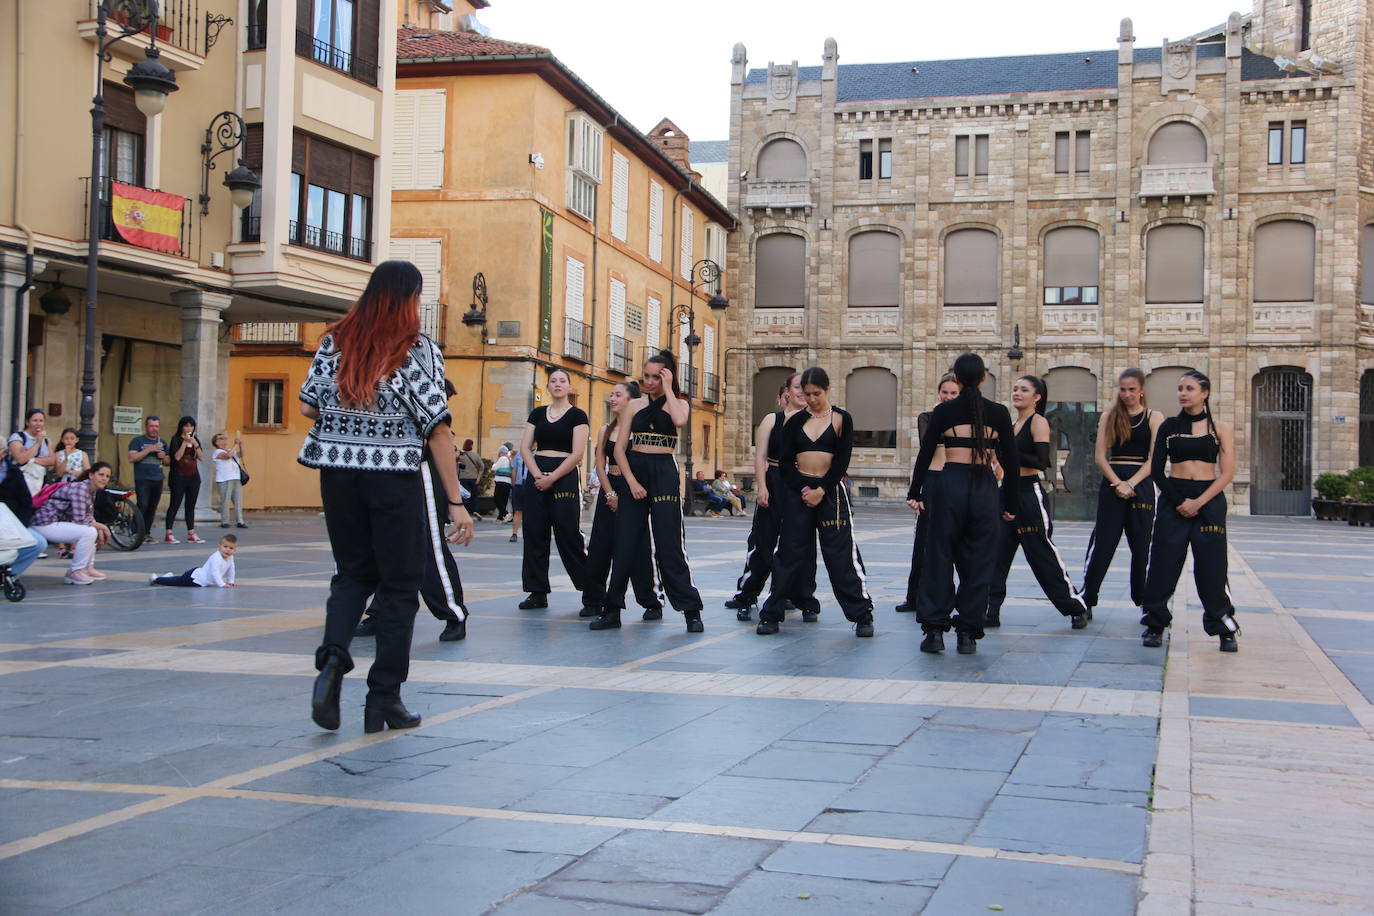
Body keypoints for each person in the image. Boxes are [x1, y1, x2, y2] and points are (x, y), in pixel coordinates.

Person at [298, 259, 472, 734]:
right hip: (392, 477)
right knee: (399, 587)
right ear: (410, 299)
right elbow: (437, 429)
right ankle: (384, 700)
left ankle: (333, 661)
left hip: (337, 475)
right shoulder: (416, 350)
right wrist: (455, 502)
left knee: (352, 576)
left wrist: (351, 419)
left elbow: (308, 403)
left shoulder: (334, 341)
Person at [908, 353, 1019, 655]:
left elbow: (925, 452)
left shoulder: (944, 412)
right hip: (984, 488)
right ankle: (968, 633)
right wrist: (1010, 502)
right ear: (984, 377)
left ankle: (933, 631)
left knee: (939, 557)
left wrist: (915, 491)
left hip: (949, 485)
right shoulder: (998, 413)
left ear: (955, 379)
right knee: (979, 563)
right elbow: (1011, 461)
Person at [756, 366, 875, 638]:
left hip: (831, 494)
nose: (811, 399)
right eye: (806, 394)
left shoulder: (842, 419)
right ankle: (772, 614)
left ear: (827, 390)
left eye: (816, 393)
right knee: (788, 552)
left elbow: (842, 460)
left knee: (840, 555)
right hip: (800, 493)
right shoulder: (794, 422)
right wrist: (805, 489)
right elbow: (785, 465)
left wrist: (822, 489)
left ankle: (862, 614)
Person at [355, 378, 470, 643]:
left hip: (422, 468)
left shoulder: (418, 367)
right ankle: (380, 612)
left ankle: (454, 614)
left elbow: (439, 435)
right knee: (385, 545)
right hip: (386, 466)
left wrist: (456, 502)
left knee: (429, 545)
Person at [603, 351, 705, 633]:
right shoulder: (633, 405)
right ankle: (612, 609)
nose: (648, 381)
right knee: (625, 541)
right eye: (645, 375)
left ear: (666, 375)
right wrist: (632, 482)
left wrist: (670, 388)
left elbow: (680, 421)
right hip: (634, 470)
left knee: (669, 542)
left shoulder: (679, 403)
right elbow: (619, 449)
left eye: (654, 376)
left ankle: (690, 610)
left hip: (663, 471)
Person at [1140, 370, 1240, 652]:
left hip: (1209, 499)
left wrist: (1199, 502)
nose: (1183, 393)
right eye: (1180, 388)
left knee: (1213, 566)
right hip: (1174, 498)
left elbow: (1227, 472)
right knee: (1163, 561)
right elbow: (1157, 471)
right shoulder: (1169, 426)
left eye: (1190, 388)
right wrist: (1179, 500)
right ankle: (1155, 624)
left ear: (1204, 393)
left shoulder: (1219, 428)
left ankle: (1223, 625)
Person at [986, 376, 1090, 630]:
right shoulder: (1012, 424)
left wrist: (1007, 448)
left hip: (1029, 494)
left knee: (1041, 554)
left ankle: (1075, 607)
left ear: (1037, 397)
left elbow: (1041, 461)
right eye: (1015, 388)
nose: (1017, 393)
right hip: (1006, 491)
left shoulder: (1038, 422)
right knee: (996, 555)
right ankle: (990, 611)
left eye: (1024, 389)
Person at [725, 374, 816, 622]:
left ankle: (803, 598)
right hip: (774, 480)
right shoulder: (771, 420)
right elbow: (760, 456)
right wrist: (762, 487)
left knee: (801, 544)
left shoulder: (814, 420)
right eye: (797, 387)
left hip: (802, 483)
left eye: (806, 388)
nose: (801, 392)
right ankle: (747, 594)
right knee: (762, 541)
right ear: (787, 392)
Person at [1080, 369, 1163, 612]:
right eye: (1123, 389)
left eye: (1132, 389)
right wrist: (1118, 482)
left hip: (1141, 485)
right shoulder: (1109, 416)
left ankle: (1144, 599)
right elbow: (1099, 457)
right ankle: (1087, 598)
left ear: (1141, 391)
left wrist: (1132, 483)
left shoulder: (1154, 417)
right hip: (1113, 483)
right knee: (1103, 543)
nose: (1127, 394)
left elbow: (1154, 459)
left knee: (1142, 545)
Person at [583, 381, 663, 628]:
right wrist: (609, 494)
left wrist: (629, 492)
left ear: (631, 401)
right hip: (610, 488)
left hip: (634, 491)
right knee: (599, 546)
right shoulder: (605, 429)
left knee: (636, 550)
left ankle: (650, 601)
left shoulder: (640, 429)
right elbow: (599, 464)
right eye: (613, 394)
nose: (613, 398)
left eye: (618, 394)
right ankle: (593, 599)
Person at [517, 368, 590, 610]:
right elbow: (525, 448)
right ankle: (537, 592)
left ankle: (592, 592)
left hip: (565, 474)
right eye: (553, 381)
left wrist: (553, 477)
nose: (557, 384)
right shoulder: (537, 414)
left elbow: (578, 453)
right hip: (537, 473)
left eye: (562, 381)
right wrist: (537, 473)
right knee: (534, 533)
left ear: (570, 387)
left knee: (568, 535)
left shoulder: (578, 416)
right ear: (548, 386)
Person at [898, 373, 961, 614]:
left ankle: (956, 598)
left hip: (955, 479)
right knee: (923, 540)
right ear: (938, 393)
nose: (948, 397)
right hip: (932, 479)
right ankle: (913, 596)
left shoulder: (966, 421)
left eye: (953, 393)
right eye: (945, 392)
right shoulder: (927, 417)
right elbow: (928, 444)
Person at [32, 461, 113, 586]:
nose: (104, 479)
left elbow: (88, 516)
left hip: (55, 522)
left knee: (91, 530)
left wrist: (100, 528)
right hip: (44, 523)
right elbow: (80, 519)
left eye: (107, 476)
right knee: (88, 532)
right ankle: (75, 572)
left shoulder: (91, 489)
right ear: (91, 475)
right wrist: (103, 527)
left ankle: (88, 568)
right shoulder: (80, 489)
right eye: (101, 474)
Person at [163, 416, 205, 544]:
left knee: (190, 506)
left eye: (191, 426)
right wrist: (184, 443)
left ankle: (191, 532)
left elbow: (202, 457)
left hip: (193, 476)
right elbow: (176, 457)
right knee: (175, 504)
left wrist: (195, 444)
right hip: (178, 476)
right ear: (181, 427)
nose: (189, 428)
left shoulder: (195, 439)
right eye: (186, 425)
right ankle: (169, 532)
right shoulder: (175, 439)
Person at [128, 416, 168, 537]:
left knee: (152, 507)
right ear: (146, 427)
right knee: (143, 504)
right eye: (151, 426)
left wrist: (164, 457)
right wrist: (149, 449)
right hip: (142, 478)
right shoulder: (137, 441)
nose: (154, 429)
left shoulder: (163, 442)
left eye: (156, 426)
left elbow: (168, 462)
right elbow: (132, 458)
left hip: (158, 478)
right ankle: (135, 531)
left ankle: (146, 533)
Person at [149, 533, 237, 587]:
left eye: (231, 548)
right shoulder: (216, 557)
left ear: (235, 550)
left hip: (199, 577)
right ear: (219, 547)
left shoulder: (230, 557)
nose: (228, 550)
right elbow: (215, 572)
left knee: (179, 579)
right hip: (195, 579)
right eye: (225, 547)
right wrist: (222, 584)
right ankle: (156, 579)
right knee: (176, 582)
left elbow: (231, 569)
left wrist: (230, 581)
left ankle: (167, 577)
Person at [8, 409, 56, 495]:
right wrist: (37, 443)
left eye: (41, 421)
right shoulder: (18, 437)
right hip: (19, 480)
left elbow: (52, 461)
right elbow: (20, 459)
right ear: (27, 422)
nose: (38, 424)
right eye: (35, 420)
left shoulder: (47, 441)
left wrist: (32, 459)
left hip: (39, 481)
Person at [212, 433, 248, 529]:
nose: (224, 440)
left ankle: (240, 521)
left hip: (236, 478)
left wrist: (240, 444)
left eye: (224, 438)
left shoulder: (229, 450)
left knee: (238, 500)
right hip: (224, 479)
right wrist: (235, 444)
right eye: (221, 438)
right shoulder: (217, 452)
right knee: (225, 501)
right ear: (217, 442)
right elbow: (228, 456)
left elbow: (242, 454)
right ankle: (225, 521)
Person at [457, 438, 483, 518]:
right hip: (474, 478)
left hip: (463, 478)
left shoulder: (461, 456)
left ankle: (464, 511)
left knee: (464, 496)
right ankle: (475, 510)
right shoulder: (476, 455)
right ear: (471, 445)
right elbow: (482, 466)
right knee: (474, 496)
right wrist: (478, 477)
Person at [509, 445, 526, 543]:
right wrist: (514, 483)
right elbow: (514, 469)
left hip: (531, 485)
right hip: (519, 485)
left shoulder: (537, 454)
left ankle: (530, 533)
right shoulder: (519, 455)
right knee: (518, 510)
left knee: (532, 511)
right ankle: (514, 533)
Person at [492, 444, 513, 522]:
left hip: (500, 481)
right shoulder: (509, 459)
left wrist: (496, 461)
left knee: (496, 499)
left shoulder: (502, 458)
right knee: (504, 500)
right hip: (508, 482)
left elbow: (494, 468)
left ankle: (505, 513)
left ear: (501, 452)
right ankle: (500, 517)